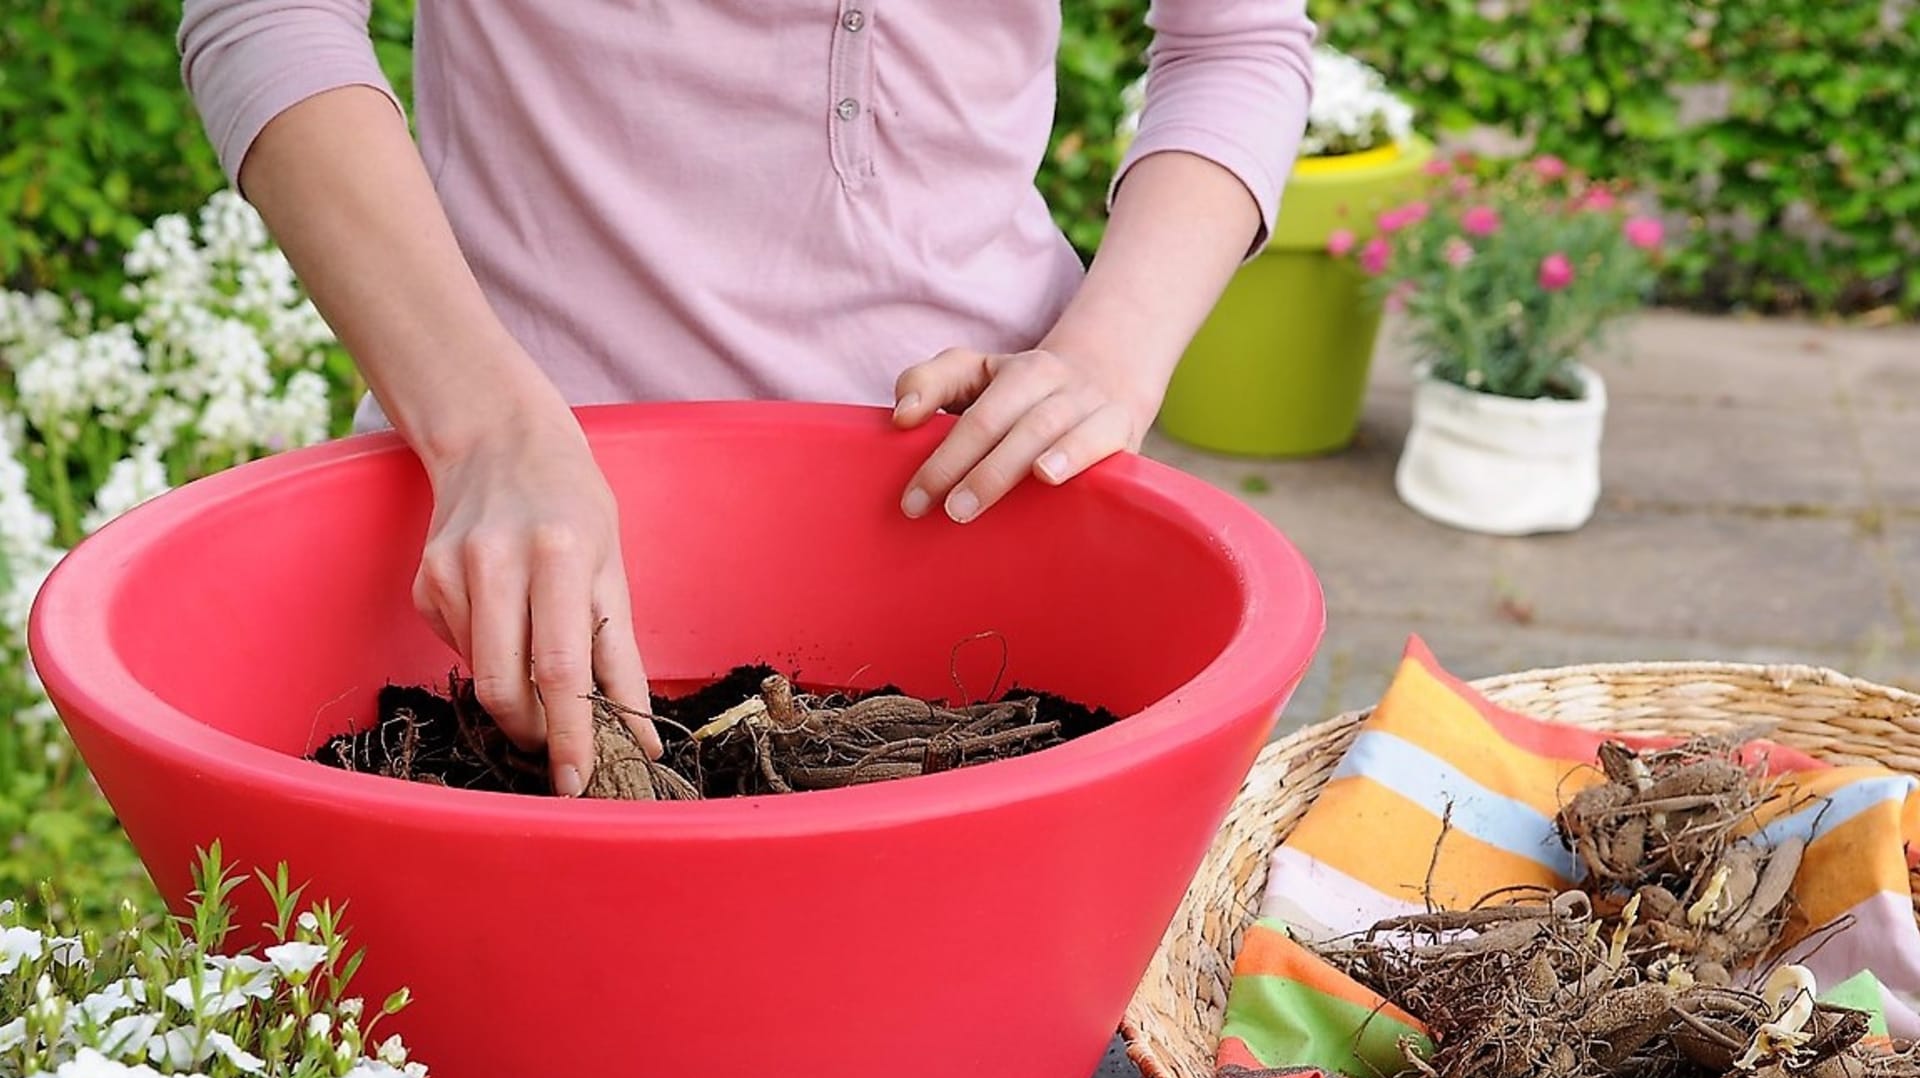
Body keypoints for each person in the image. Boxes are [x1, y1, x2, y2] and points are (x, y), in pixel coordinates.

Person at [178, 1, 1314, 795]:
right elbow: (269, 14)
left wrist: (1113, 350)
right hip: (527, 552)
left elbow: (1237, 40)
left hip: (971, 521)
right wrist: (482, 427)